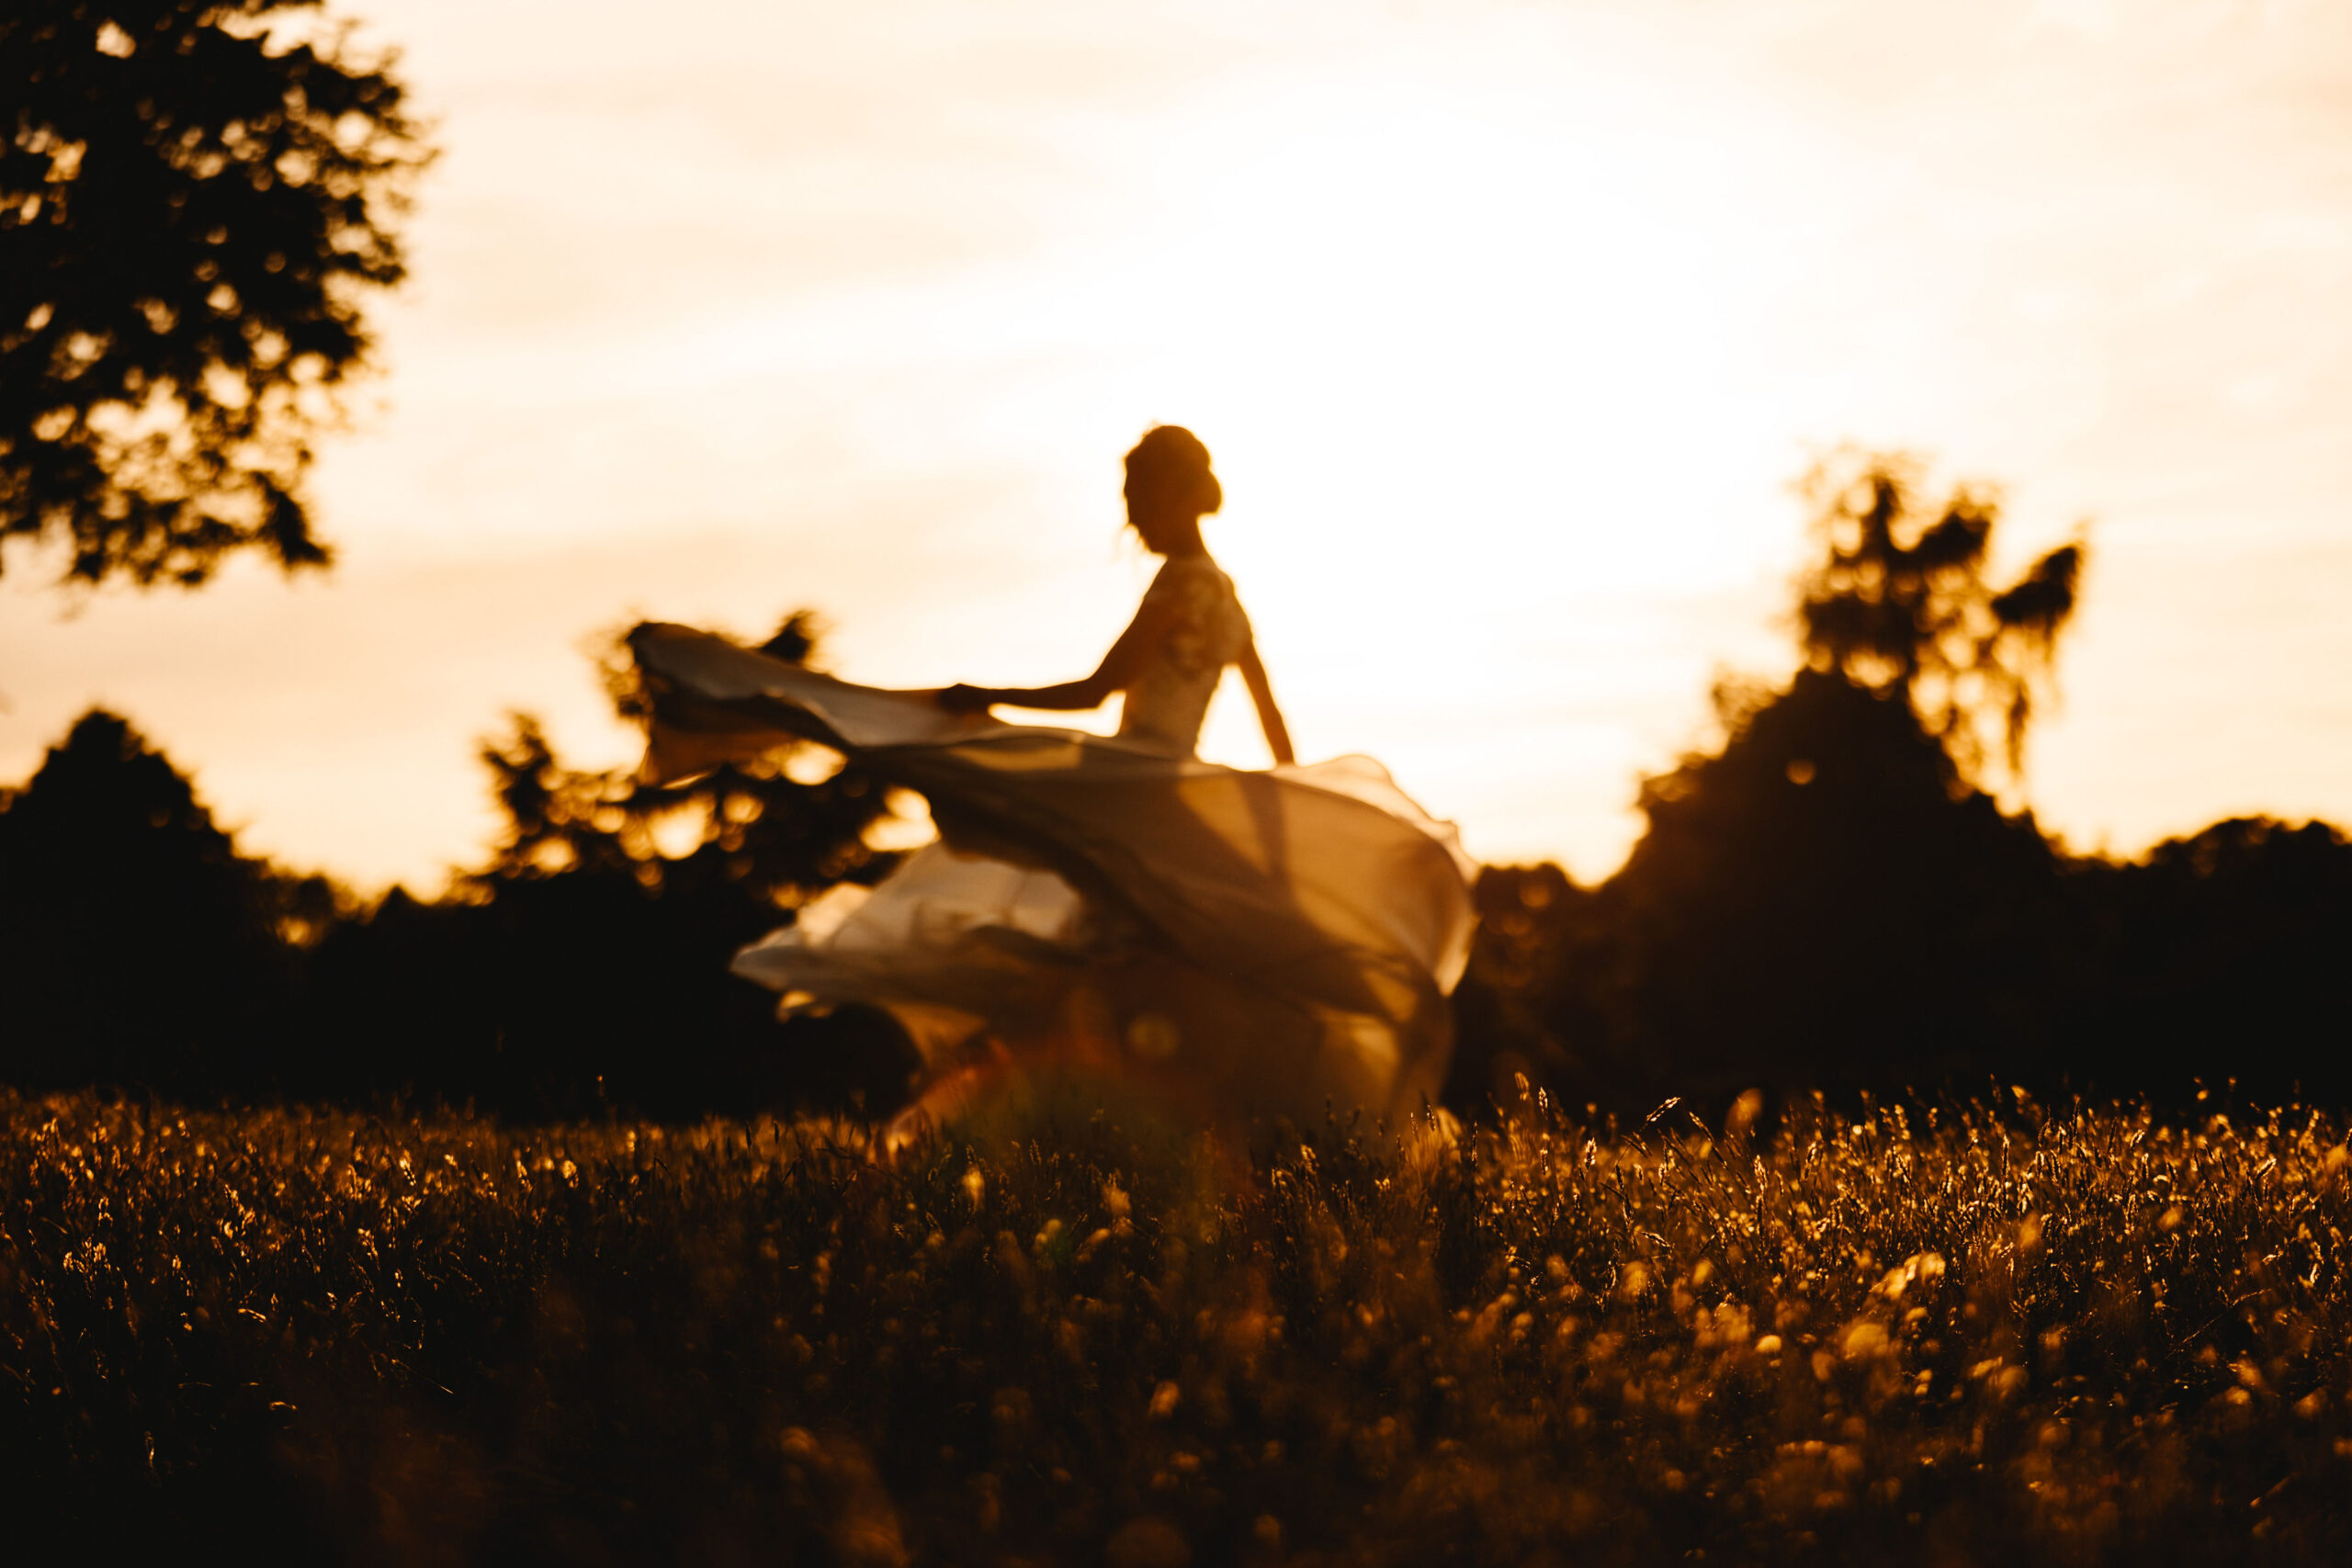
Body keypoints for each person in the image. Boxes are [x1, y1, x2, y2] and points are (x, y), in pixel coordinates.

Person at [627, 426, 1475, 1131]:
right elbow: (1276, 724)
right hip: (1176, 789)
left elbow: (1098, 690)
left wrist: (982, 694)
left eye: (1138, 499)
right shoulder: (1231, 595)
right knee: (1150, 954)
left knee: (1086, 922)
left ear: (1173, 496)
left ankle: (1097, 1118)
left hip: (1142, 783)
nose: (1131, 518)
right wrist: (1290, 829)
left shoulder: (1182, 585)